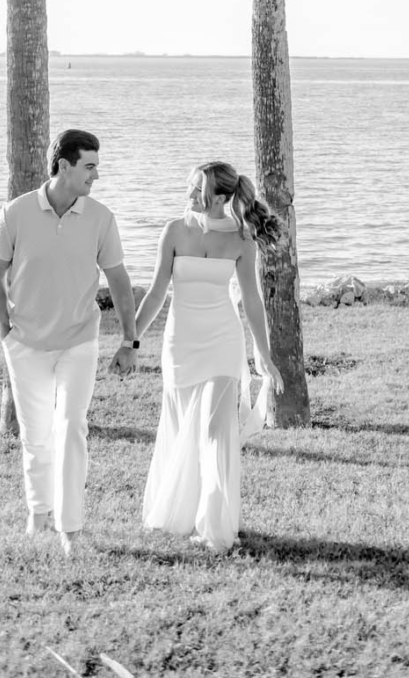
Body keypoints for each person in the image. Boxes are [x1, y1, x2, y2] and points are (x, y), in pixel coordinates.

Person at [0, 128, 139, 554]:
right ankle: (38, 512)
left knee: (72, 427)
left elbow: (119, 280)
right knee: (36, 435)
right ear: (64, 166)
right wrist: (6, 335)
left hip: (79, 341)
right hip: (26, 344)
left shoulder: (101, 217)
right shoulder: (15, 213)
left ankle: (69, 528)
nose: (96, 174)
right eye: (89, 165)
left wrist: (129, 339)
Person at [136, 159, 284, 553]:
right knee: (181, 426)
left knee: (215, 433)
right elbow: (155, 293)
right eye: (189, 186)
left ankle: (217, 529)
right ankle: (179, 515)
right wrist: (130, 340)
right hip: (180, 342)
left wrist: (264, 356)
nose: (189, 195)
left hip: (222, 341)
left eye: (197, 189)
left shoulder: (241, 239)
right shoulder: (174, 231)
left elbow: (252, 301)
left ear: (220, 197)